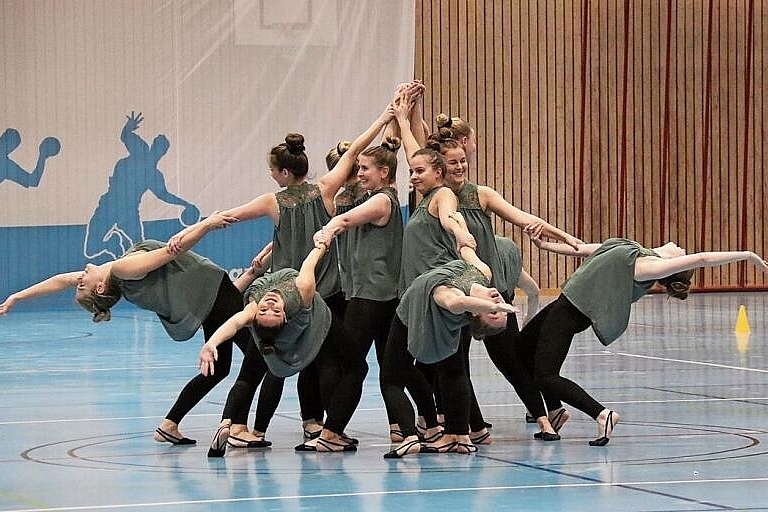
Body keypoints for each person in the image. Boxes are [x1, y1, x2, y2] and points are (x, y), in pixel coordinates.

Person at [171, 104, 395, 443]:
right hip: (326, 291)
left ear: (285, 174)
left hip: (283, 291)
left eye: (273, 171)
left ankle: (239, 425)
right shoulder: (326, 189)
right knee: (326, 360)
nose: (273, 176)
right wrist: (384, 118)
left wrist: (196, 229)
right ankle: (320, 426)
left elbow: (227, 218)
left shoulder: (272, 201)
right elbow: (353, 152)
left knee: (266, 364)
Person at [0, 212, 266, 445]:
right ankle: (237, 427)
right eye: (82, 284)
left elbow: (60, 281)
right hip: (213, 295)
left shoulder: (110, 274)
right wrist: (208, 224)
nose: (78, 278)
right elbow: (173, 250)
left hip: (209, 298)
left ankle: (170, 425)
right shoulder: (123, 269)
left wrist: (17, 297)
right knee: (259, 357)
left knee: (220, 369)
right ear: (100, 288)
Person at [523, 235, 768, 445]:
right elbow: (586, 248)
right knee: (524, 345)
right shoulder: (634, 248)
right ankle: (554, 412)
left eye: (683, 255)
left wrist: (748, 255)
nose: (683, 248)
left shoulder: (646, 266)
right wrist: (545, 245)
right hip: (564, 304)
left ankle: (602, 415)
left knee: (546, 375)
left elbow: (703, 258)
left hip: (572, 312)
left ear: (672, 265)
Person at [201, 241, 355, 456]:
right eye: (272, 311)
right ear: (285, 316)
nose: (270, 304)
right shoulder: (302, 291)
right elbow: (310, 262)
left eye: (265, 310)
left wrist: (211, 343)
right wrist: (322, 242)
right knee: (346, 366)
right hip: (318, 322)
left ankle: (231, 423)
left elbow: (235, 322)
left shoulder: (254, 308)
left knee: (249, 375)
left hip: (283, 332)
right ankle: (330, 430)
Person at [381, 243, 517, 458]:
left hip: (415, 316)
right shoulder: (483, 273)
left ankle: (409, 437)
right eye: (502, 312)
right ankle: (459, 435)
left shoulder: (449, 294)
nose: (498, 305)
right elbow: (467, 249)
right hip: (428, 309)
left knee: (390, 379)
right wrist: (457, 226)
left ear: (475, 313)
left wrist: (490, 306)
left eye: (493, 312)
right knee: (453, 370)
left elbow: (457, 303)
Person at [312, 136, 404, 446]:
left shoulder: (382, 200)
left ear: (384, 173)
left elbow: (348, 218)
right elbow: (346, 206)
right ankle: (400, 426)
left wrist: (329, 230)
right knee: (376, 366)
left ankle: (331, 431)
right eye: (358, 168)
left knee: (353, 365)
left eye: (365, 168)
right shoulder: (356, 196)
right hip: (369, 295)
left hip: (373, 297)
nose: (360, 172)